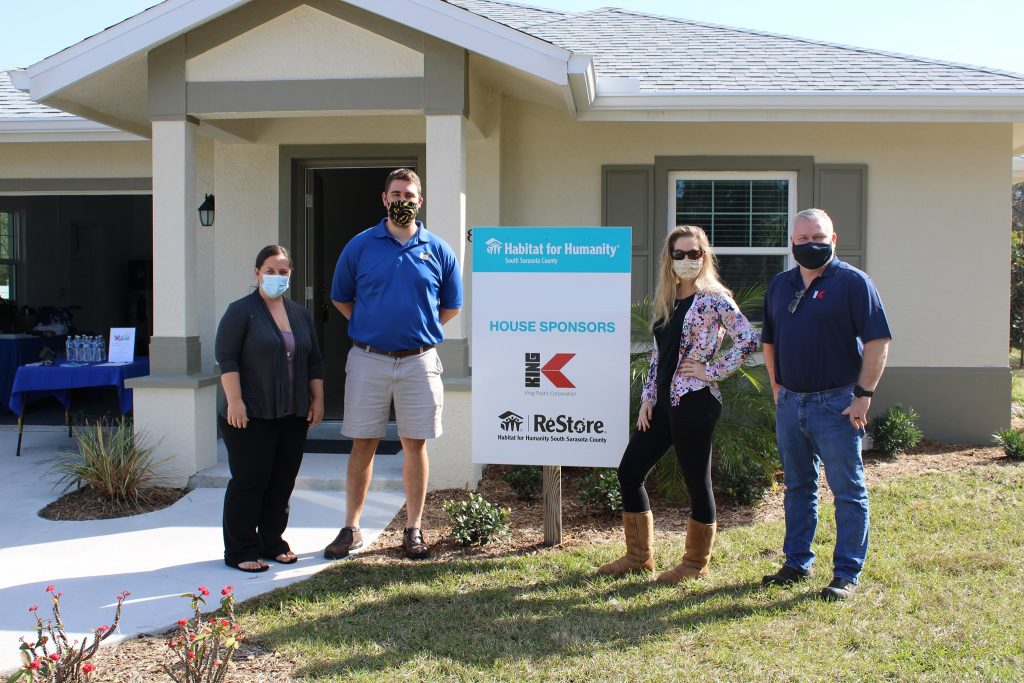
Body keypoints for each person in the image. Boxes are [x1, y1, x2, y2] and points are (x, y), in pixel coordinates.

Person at [599, 225, 758, 583]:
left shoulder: (715, 298)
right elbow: (660, 355)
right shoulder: (669, 300)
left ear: (705, 256)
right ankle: (639, 557)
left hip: (695, 402)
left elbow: (747, 340)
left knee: (695, 481)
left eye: (694, 253)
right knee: (630, 470)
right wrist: (647, 399)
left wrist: (711, 370)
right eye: (679, 254)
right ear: (669, 259)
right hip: (663, 403)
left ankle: (695, 564)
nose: (686, 260)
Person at [324, 168, 463, 561]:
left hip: (419, 362)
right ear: (384, 199)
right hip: (369, 360)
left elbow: (451, 306)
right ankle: (351, 528)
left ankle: (413, 529)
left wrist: (416, 329)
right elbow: (341, 298)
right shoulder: (360, 246)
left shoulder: (438, 249)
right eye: (396, 194)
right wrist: (373, 327)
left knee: (414, 445)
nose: (403, 200)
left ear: (421, 202)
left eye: (410, 195)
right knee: (362, 444)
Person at [761, 208, 891, 601]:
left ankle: (846, 573)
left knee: (847, 489)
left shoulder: (853, 282)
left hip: (836, 403)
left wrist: (863, 395)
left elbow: (878, 341)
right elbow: (769, 340)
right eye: (801, 239)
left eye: (817, 237)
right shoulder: (781, 285)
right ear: (792, 244)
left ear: (833, 240)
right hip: (791, 402)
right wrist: (777, 389)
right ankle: (796, 563)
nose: (809, 245)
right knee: (798, 487)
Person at [215, 245, 325, 572]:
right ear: (257, 273)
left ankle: (272, 541)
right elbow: (228, 358)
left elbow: (314, 360)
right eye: (270, 270)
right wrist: (235, 401)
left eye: (283, 271)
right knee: (251, 480)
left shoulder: (300, 314)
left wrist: (317, 399)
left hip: (292, 414)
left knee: (281, 482)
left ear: (290, 274)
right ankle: (240, 549)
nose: (276, 277)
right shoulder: (241, 311)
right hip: (250, 413)